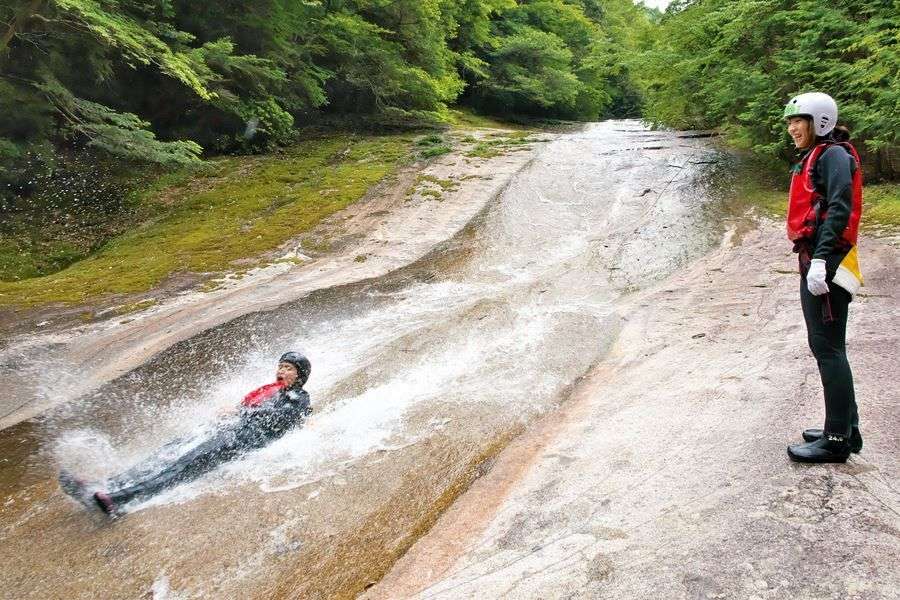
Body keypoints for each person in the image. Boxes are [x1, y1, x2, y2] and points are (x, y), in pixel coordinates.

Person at [60, 352, 312, 515]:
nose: (281, 370)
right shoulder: (270, 391)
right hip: (229, 431)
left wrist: (241, 414)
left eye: (288, 368)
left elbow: (279, 420)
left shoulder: (299, 397)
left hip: (240, 441)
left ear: (299, 374)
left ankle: (118, 500)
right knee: (166, 452)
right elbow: (250, 409)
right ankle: (105, 485)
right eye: (280, 366)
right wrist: (233, 410)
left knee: (184, 463)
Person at [782, 92, 863, 463]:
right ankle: (848, 429)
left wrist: (821, 261)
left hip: (826, 260)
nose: (793, 127)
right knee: (831, 347)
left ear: (821, 122)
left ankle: (835, 440)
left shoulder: (832, 155)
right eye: (790, 121)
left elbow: (839, 206)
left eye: (800, 120)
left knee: (826, 347)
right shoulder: (821, 155)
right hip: (819, 258)